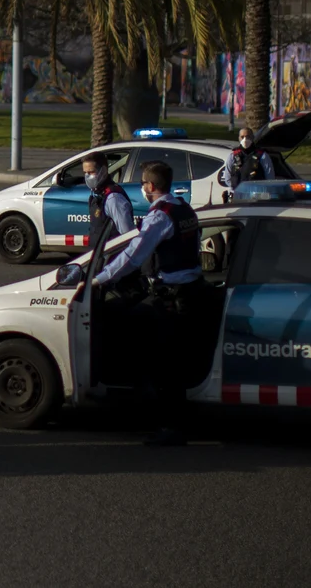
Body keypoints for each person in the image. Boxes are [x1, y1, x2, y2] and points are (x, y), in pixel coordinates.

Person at [91, 160, 218, 446]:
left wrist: (102, 278)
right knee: (170, 358)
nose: (142, 189)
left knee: (165, 362)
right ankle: (160, 415)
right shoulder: (184, 209)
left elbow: (134, 255)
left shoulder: (159, 217)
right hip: (189, 291)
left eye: (143, 185)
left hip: (171, 297)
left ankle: (169, 427)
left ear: (149, 186)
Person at [81, 151, 134, 255]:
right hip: (99, 257)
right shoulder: (97, 194)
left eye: (91, 172)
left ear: (103, 170)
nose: (88, 176)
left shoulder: (113, 198)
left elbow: (127, 234)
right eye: (85, 173)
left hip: (111, 258)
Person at [221, 126, 276, 193]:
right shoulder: (233, 156)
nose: (245, 139)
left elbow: (270, 178)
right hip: (238, 195)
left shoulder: (262, 156)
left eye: (248, 136)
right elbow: (228, 179)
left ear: (252, 137)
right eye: (242, 137)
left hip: (257, 194)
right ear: (239, 138)